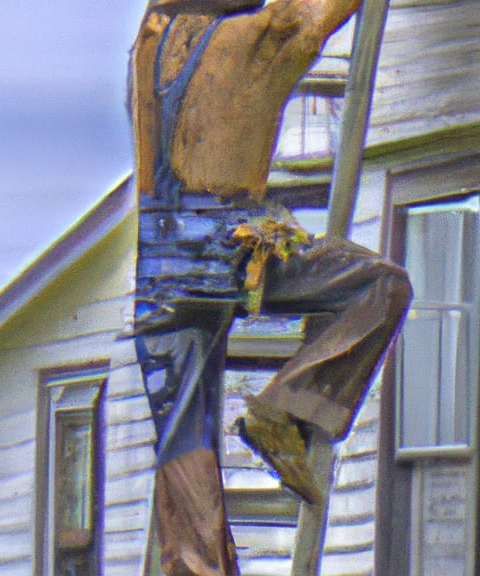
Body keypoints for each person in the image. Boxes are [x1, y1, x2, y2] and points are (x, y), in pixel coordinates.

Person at [129, 1, 412, 574]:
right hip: (227, 249)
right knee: (382, 286)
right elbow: (315, 13)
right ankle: (286, 408)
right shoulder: (258, 37)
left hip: (157, 273)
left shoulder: (147, 48)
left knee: (185, 456)